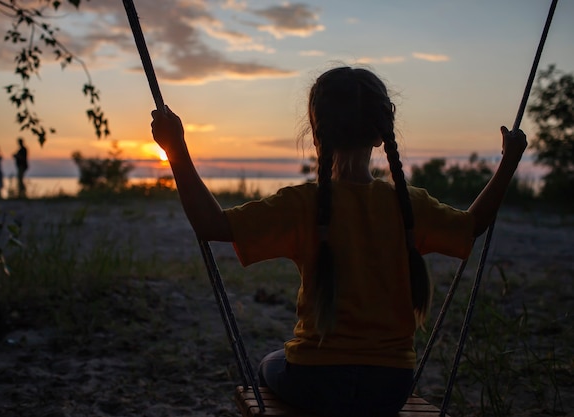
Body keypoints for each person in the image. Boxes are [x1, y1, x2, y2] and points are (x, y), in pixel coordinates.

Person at [150, 66, 527, 417]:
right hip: (390, 386)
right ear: (382, 134)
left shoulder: (300, 204)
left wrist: (176, 150)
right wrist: (508, 162)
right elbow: (473, 224)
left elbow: (211, 224)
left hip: (316, 381)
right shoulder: (409, 205)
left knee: (268, 365)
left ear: (317, 134)